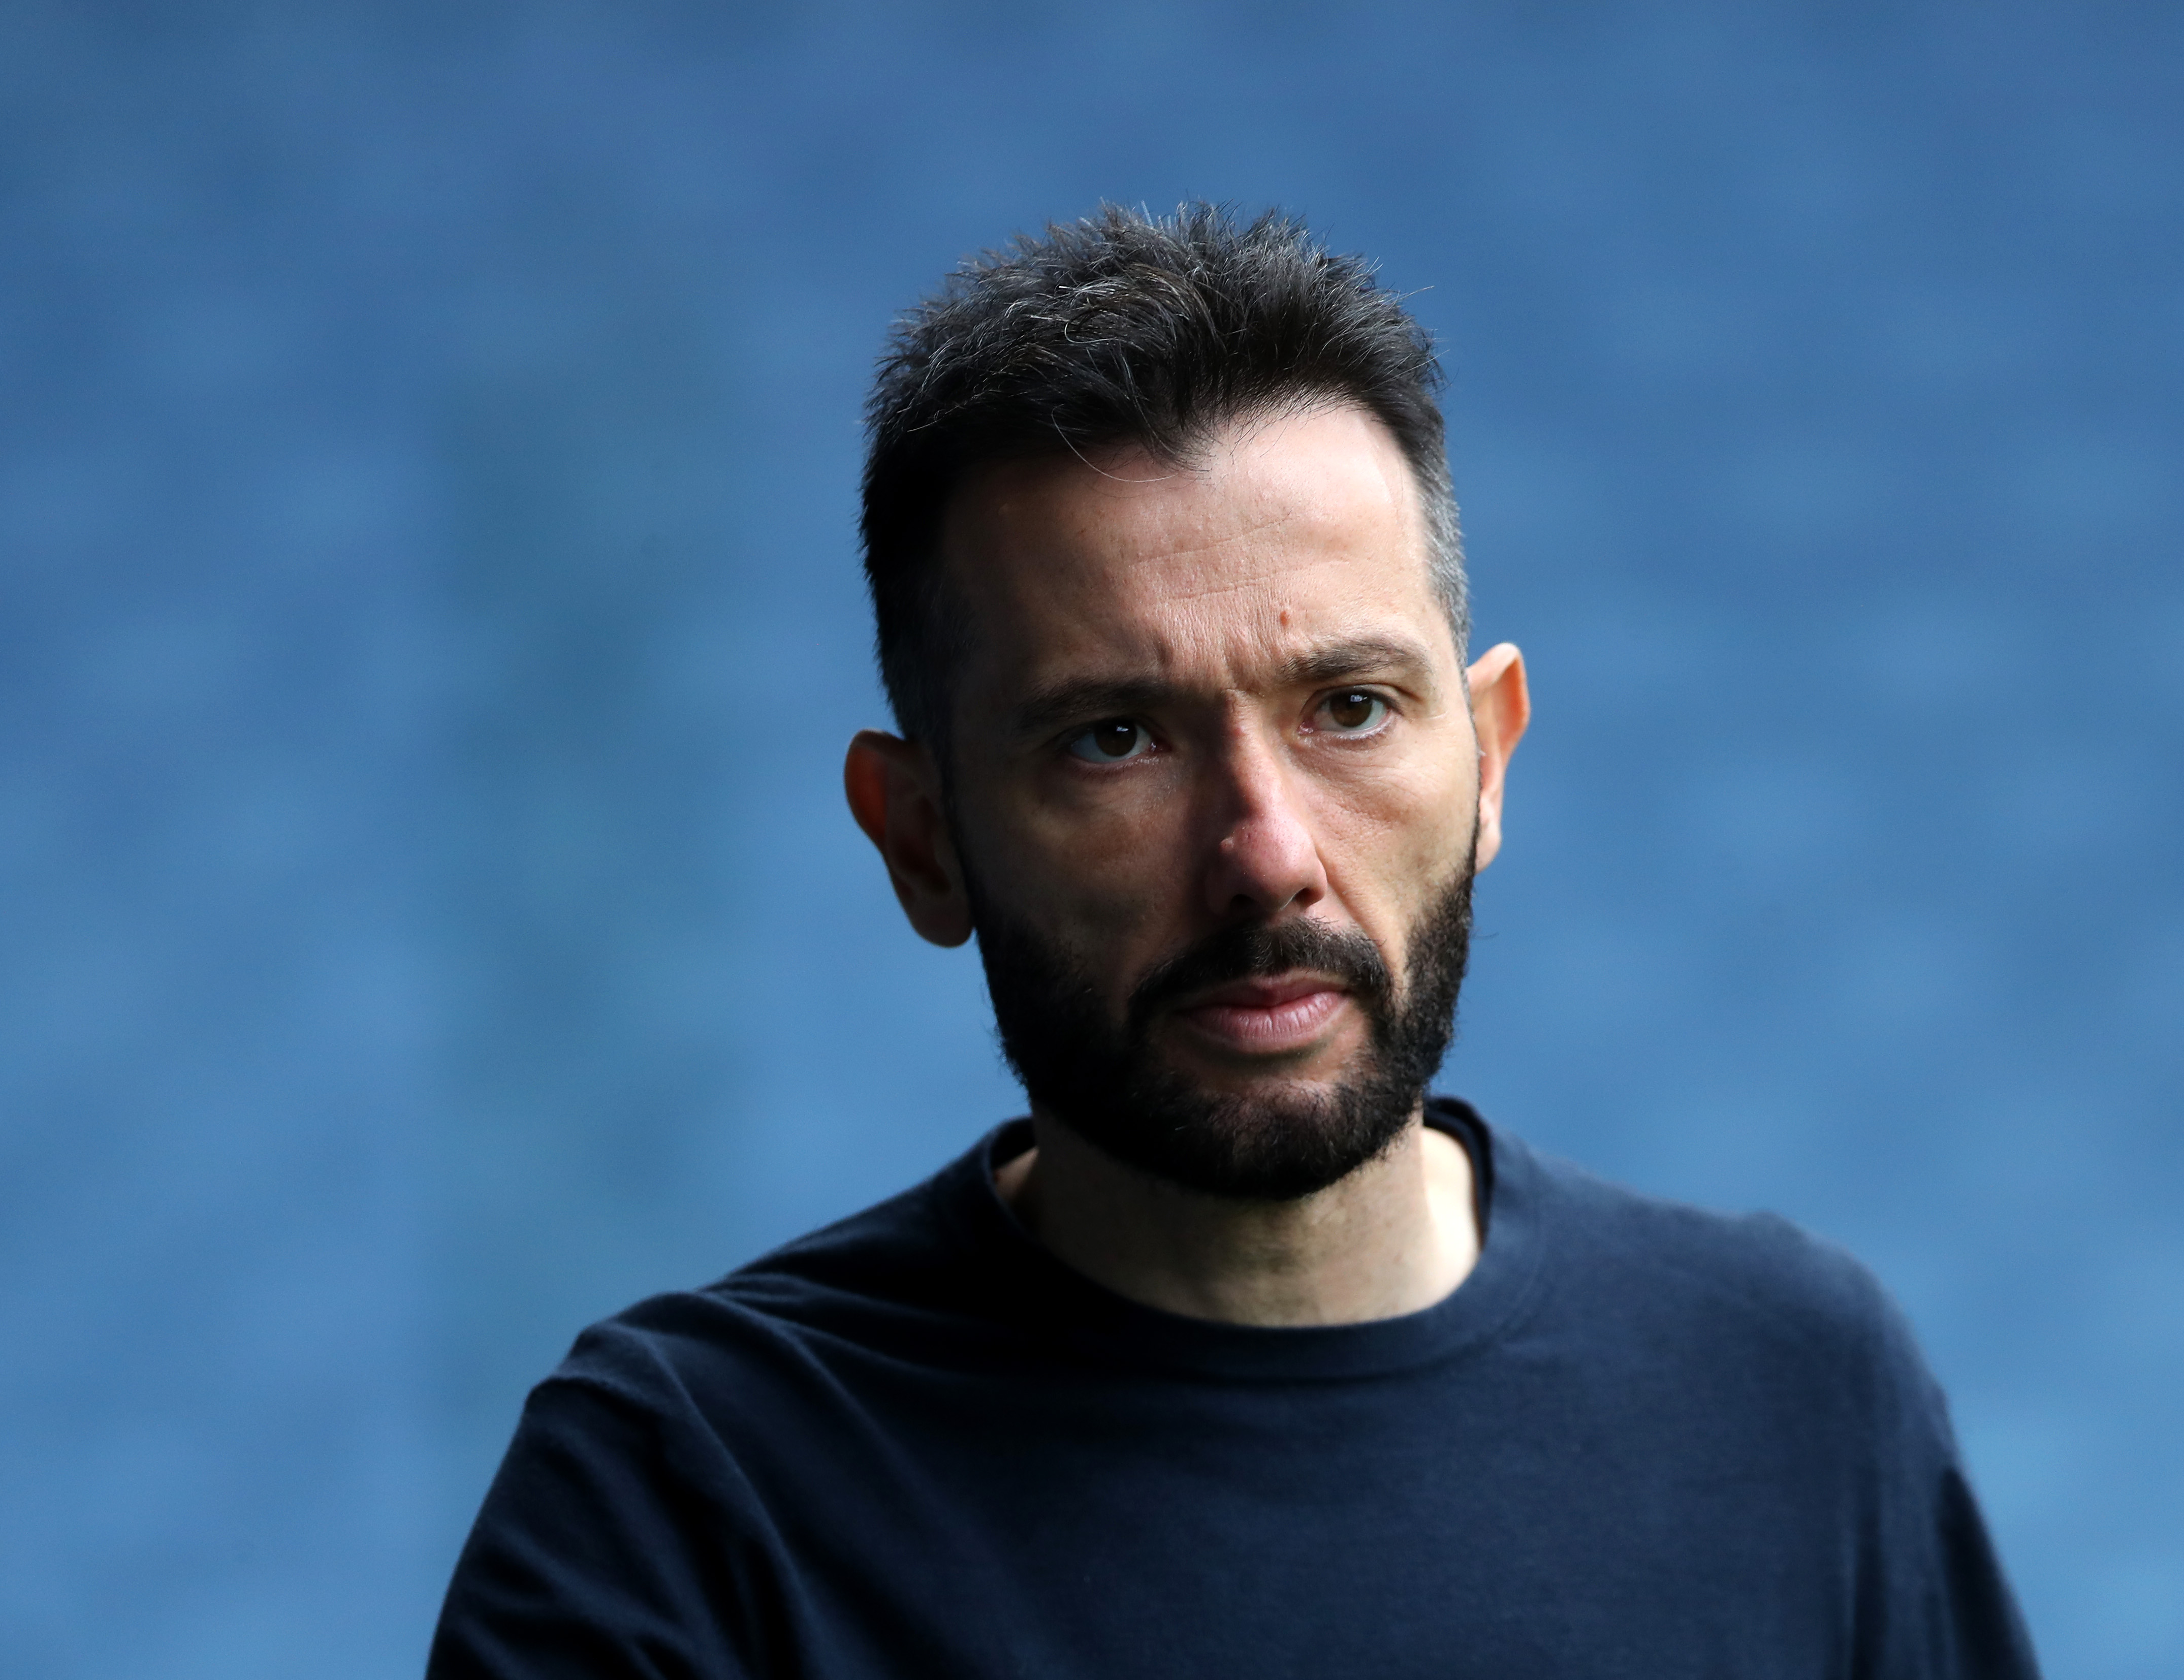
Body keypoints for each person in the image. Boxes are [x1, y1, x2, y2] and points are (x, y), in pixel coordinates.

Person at [430, 203, 2040, 1679]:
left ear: (1489, 757)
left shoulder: (1796, 1399)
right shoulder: (690, 1495)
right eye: (1115, 738)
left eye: (1351, 708)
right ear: (921, 837)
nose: (1265, 857)